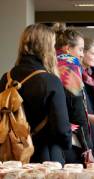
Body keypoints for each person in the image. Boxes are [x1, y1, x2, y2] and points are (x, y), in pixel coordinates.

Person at [0, 24, 72, 164]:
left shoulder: (6, 78)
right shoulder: (51, 81)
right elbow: (62, 129)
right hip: (45, 157)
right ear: (46, 48)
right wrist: (68, 144)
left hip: (10, 155)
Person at [52, 23, 94, 164]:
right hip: (70, 141)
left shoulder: (50, 63)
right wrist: (87, 148)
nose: (82, 54)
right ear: (67, 48)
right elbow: (78, 110)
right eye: (81, 49)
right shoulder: (69, 66)